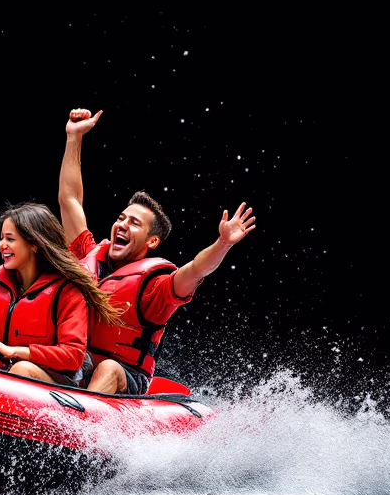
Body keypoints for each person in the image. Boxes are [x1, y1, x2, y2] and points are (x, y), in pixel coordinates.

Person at [58, 108, 256, 395]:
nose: (122, 225)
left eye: (134, 223)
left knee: (108, 368)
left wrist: (223, 243)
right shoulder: (87, 253)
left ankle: (79, 418)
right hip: (78, 362)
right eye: (121, 218)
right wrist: (73, 137)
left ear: (151, 242)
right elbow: (69, 199)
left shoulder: (157, 287)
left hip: (126, 376)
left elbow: (197, 269)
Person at [0, 202, 120, 386]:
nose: (1, 245)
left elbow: (73, 356)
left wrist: (14, 351)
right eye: (1, 239)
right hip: (3, 373)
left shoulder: (68, 290)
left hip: (51, 383)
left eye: (10, 239)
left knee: (21, 370)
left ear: (34, 244)